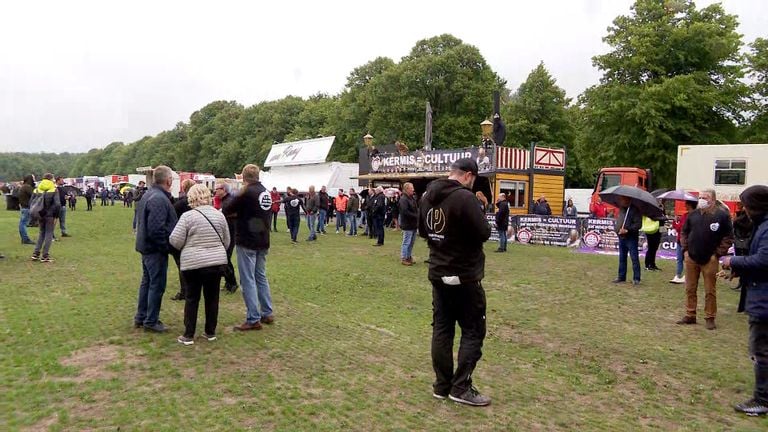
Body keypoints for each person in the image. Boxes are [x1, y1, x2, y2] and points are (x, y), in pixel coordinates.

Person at [418, 158, 492, 406]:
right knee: (473, 330)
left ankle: (442, 384)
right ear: (469, 176)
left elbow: (423, 231)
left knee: (442, 328)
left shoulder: (428, 195)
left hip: (438, 270)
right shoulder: (465, 198)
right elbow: (484, 232)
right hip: (464, 274)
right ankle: (460, 387)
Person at [722, 185, 768, 416]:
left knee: (761, 350)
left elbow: (763, 260)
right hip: (759, 294)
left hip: (764, 299)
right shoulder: (761, 225)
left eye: (747, 206)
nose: (745, 211)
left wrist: (735, 263)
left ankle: (762, 399)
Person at [169, 184, 230, 346]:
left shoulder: (188, 217)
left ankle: (188, 334)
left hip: (193, 263)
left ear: (191, 197)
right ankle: (210, 332)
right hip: (216, 263)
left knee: (192, 298)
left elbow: (175, 240)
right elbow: (227, 240)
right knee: (212, 298)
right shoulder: (219, 215)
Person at [223, 164, 275, 331]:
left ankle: (253, 318)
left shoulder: (246, 192)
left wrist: (232, 193)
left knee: (247, 279)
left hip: (247, 240)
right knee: (261, 277)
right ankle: (267, 312)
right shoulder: (265, 191)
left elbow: (227, 208)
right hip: (263, 239)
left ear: (243, 177)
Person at [677, 189, 733, 330]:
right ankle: (690, 314)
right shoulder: (693, 214)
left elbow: (728, 237)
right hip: (691, 257)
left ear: (713, 200)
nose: (701, 199)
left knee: (710, 290)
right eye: (700, 197)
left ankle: (710, 317)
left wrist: (717, 254)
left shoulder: (722, 216)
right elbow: (684, 232)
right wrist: (685, 250)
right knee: (690, 288)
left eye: (705, 197)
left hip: (710, 259)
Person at [133, 166, 178, 333]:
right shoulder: (159, 198)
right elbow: (156, 229)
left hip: (146, 247)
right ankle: (151, 320)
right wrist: (166, 247)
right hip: (155, 249)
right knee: (156, 285)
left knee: (147, 282)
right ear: (168, 180)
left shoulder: (149, 194)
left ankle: (141, 316)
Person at [170, 179, 196, 301]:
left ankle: (184, 291)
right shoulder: (198, 203)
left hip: (182, 237)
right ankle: (191, 289)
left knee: (182, 265)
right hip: (195, 237)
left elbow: (172, 216)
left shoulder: (181, 204)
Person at [30, 173, 61, 263]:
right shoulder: (54, 189)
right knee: (49, 234)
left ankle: (35, 253)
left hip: (40, 214)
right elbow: (57, 204)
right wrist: (56, 215)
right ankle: (45, 255)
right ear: (51, 179)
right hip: (50, 215)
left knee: (41, 233)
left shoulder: (37, 189)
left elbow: (31, 202)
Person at [612, 196, 642, 285]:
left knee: (634, 258)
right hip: (622, 237)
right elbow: (619, 221)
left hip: (631, 238)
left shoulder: (635, 210)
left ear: (628, 200)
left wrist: (627, 229)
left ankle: (636, 278)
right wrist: (618, 230)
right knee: (622, 258)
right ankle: (621, 276)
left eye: (623, 199)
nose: (621, 201)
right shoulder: (622, 209)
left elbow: (638, 225)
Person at [215, 183, 239, 293]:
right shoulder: (225, 201)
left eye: (217, 189)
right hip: (227, 234)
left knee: (226, 259)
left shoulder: (229, 201)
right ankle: (229, 283)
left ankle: (232, 283)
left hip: (230, 233)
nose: (215, 191)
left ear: (223, 190)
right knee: (225, 259)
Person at [670, 200, 697, 284]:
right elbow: (678, 228)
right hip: (680, 241)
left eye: (686, 204)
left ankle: (688, 276)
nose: (685, 205)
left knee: (688, 260)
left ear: (690, 205)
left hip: (690, 242)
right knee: (679, 259)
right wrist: (675, 221)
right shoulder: (684, 215)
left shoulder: (696, 216)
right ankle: (678, 275)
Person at [398, 182, 418, 265]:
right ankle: (404, 258)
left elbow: (416, 208)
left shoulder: (412, 198)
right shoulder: (403, 199)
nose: (413, 189)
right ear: (406, 189)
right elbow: (405, 211)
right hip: (407, 224)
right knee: (406, 241)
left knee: (411, 242)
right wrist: (416, 216)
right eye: (411, 188)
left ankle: (408, 256)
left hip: (413, 224)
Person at [18, 175, 35, 245]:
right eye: (33, 178)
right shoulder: (27, 187)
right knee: (23, 224)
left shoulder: (23, 186)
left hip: (24, 207)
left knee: (23, 223)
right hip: (26, 207)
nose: (34, 180)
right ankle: (25, 239)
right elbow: (34, 194)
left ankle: (24, 239)